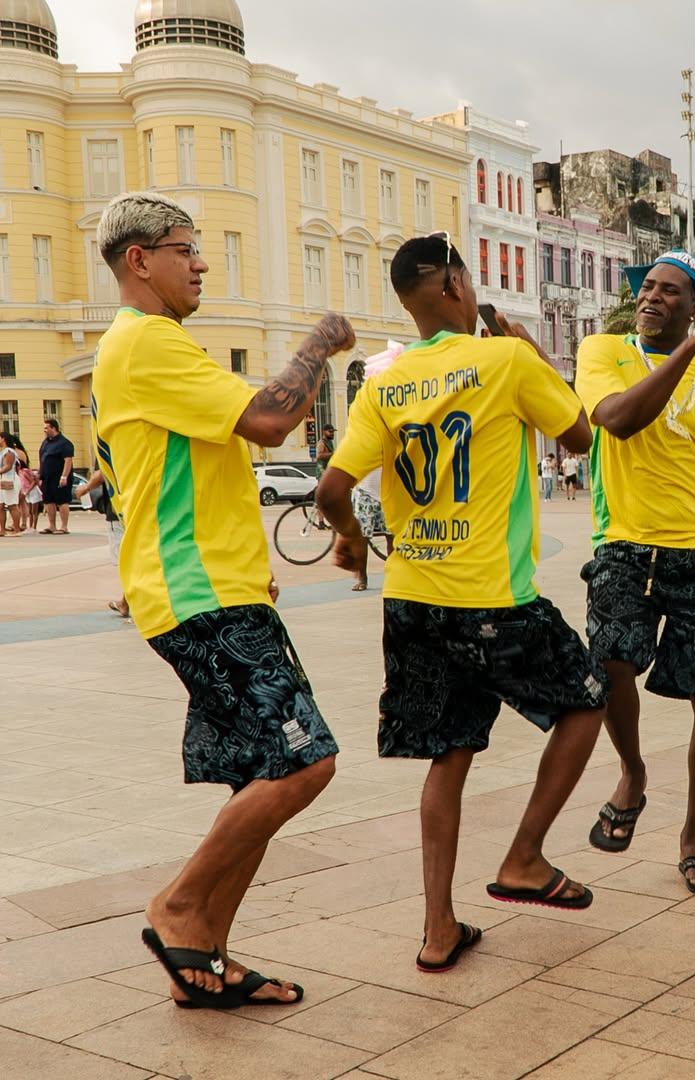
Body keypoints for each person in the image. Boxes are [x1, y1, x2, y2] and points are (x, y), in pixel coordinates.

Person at [317, 233, 607, 974]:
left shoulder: (382, 384)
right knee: (588, 700)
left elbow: (331, 490)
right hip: (493, 596)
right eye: (471, 280)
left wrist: (350, 540)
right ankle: (525, 857)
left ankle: (438, 927)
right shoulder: (505, 361)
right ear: (451, 283)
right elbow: (578, 436)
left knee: (449, 754)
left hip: (413, 600)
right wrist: (531, 352)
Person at [93, 190, 355, 1009]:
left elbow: (180, 479)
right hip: (202, 594)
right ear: (139, 261)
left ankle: (205, 960)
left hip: (214, 588)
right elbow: (273, 419)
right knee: (307, 763)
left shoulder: (150, 349)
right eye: (184, 247)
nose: (201, 261)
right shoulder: (146, 343)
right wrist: (324, 339)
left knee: (263, 777)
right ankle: (178, 910)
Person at [575, 250, 695, 894]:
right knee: (608, 665)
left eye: (671, 292)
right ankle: (632, 772)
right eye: (646, 288)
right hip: (625, 544)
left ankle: (694, 837)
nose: (651, 298)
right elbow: (619, 420)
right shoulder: (602, 352)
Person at [75, 467, 129, 617]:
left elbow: (104, 471)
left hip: (118, 512)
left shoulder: (111, 443)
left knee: (125, 561)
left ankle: (127, 603)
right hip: (137, 508)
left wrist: (86, 487)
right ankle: (127, 601)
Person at [350, 467, 393, 591]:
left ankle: (393, 576)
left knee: (392, 536)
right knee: (361, 538)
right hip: (365, 493)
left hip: (388, 493)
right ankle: (362, 579)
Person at [38, 418, 74, 534]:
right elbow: (42, 459)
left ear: (54, 428)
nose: (45, 430)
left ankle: (64, 526)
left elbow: (68, 461)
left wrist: (64, 477)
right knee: (49, 501)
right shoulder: (45, 442)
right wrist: (40, 474)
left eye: (46, 428)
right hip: (47, 477)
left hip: (59, 477)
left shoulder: (64, 443)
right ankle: (52, 525)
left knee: (62, 500)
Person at [0, 430, 23, 535]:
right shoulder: (3, 451)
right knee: (1, 505)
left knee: (12, 505)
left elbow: (8, 466)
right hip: (3, 479)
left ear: (3, 438)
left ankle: (17, 529)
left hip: (9, 479)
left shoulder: (9, 451)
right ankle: (2, 530)